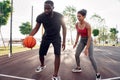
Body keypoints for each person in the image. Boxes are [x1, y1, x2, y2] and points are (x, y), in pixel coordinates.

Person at [29, 0, 66, 80]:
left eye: (48, 8)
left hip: (56, 37)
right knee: (41, 54)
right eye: (45, 8)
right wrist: (29, 36)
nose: (46, 10)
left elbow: (64, 28)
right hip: (46, 37)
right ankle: (42, 65)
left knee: (57, 54)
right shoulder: (40, 17)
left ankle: (55, 75)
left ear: (53, 7)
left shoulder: (59, 16)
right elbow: (36, 28)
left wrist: (64, 41)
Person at [72, 9, 101, 80]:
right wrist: (75, 43)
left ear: (84, 16)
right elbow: (78, 33)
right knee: (76, 54)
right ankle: (78, 68)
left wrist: (86, 48)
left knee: (91, 57)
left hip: (89, 40)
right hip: (82, 40)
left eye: (79, 16)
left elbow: (89, 38)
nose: (78, 18)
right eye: (77, 16)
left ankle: (98, 74)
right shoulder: (77, 24)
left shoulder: (88, 25)